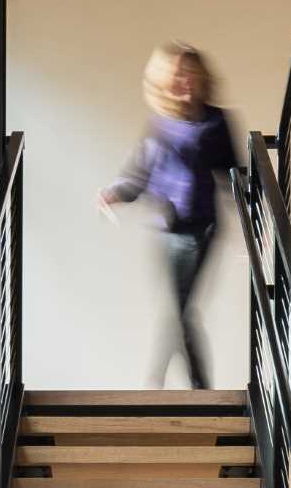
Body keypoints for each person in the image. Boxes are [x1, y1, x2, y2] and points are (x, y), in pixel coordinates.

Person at [99, 42, 239, 390]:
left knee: (180, 309)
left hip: (203, 228)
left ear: (201, 77)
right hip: (169, 231)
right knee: (178, 310)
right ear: (165, 80)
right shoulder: (159, 125)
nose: (184, 79)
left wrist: (255, 216)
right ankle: (178, 385)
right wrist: (114, 193)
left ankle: (175, 385)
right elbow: (139, 174)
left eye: (190, 72)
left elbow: (235, 175)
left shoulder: (217, 120)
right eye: (178, 73)